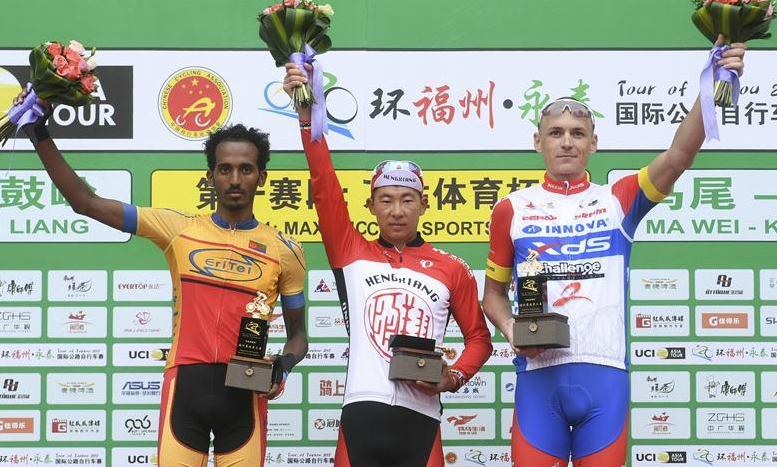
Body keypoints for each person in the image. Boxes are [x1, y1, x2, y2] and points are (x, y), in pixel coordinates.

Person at [482, 36, 746, 467]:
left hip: (605, 379)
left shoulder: (617, 199)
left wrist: (715, 81)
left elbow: (679, 155)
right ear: (537, 142)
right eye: (555, 133)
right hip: (538, 379)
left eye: (577, 134)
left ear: (594, 143)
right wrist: (511, 329)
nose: (566, 142)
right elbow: (492, 295)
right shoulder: (511, 208)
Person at [14, 89, 308, 467]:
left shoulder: (285, 250)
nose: (235, 179)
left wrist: (284, 364)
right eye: (225, 169)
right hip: (185, 391)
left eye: (246, 169)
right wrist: (38, 131)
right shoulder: (178, 229)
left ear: (262, 177)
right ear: (210, 177)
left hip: (246, 397)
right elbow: (85, 203)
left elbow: (299, 336)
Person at [283, 64, 492, 467]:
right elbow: (324, 184)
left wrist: (453, 378)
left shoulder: (452, 268)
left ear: (424, 205)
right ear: (371, 205)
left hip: (422, 423)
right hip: (362, 418)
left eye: (407, 199)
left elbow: (480, 339)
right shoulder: (350, 251)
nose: (397, 211)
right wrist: (307, 114)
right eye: (386, 200)